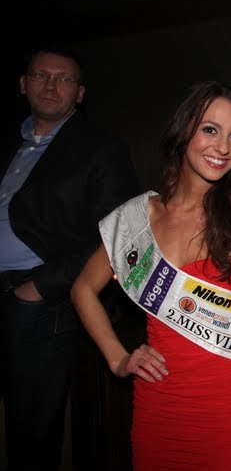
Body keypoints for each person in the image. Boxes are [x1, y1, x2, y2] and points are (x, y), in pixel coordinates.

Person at [70, 81, 231, 470]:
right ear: (184, 131)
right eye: (210, 129)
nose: (223, 147)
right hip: (159, 408)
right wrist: (118, 359)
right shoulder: (138, 219)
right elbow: (83, 289)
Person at [0, 47, 138, 470]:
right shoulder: (9, 145)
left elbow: (118, 235)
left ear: (80, 93)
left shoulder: (101, 148)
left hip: (40, 298)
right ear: (23, 83)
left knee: (31, 434)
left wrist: (39, 287)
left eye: (64, 79)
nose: (50, 85)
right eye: (41, 75)